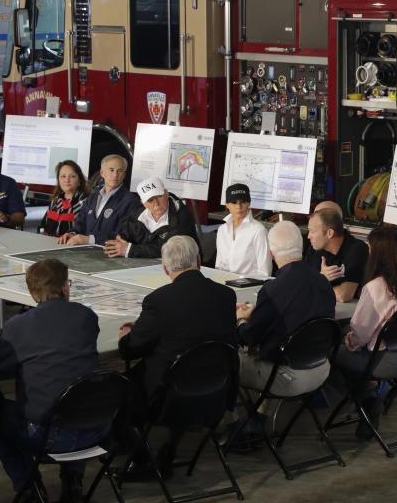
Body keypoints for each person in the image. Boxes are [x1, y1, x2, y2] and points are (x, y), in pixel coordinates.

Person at [0, 259, 101, 503]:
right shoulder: (87, 317)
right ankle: (73, 481)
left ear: (32, 293)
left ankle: (28, 486)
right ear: (65, 287)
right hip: (96, 428)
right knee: (74, 393)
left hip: (47, 436)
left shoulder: (18, 327)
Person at [118, 236, 236, 476]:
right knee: (188, 369)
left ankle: (141, 460)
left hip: (169, 399)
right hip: (217, 392)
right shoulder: (227, 296)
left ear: (165, 268)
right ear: (199, 261)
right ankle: (169, 447)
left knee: (118, 389)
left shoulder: (159, 301)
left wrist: (129, 333)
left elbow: (130, 349)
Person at [333, 227, 397, 440]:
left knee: (330, 353)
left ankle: (366, 401)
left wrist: (348, 341)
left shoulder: (375, 287)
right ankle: (367, 401)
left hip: (382, 361)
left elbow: (360, 336)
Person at [236, 220, 334, 397]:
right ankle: (260, 417)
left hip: (287, 377)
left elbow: (248, 338)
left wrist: (241, 320)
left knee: (226, 360)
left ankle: (235, 423)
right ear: (302, 246)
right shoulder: (323, 282)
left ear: (272, 254)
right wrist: (257, 313)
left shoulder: (273, 290)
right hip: (322, 368)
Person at [105, 177, 199, 259]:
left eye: (159, 197)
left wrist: (129, 249)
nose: (156, 204)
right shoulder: (137, 214)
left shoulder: (182, 214)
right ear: (143, 203)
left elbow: (169, 249)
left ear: (166, 194)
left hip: (183, 266)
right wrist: (121, 240)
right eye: (150, 200)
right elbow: (126, 235)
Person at [59, 154, 137, 247]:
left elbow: (123, 235)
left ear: (124, 175)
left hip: (109, 255)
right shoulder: (93, 197)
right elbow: (80, 224)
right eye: (111, 170)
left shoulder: (130, 201)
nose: (115, 175)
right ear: (102, 172)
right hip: (84, 251)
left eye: (120, 171)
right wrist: (72, 233)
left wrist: (90, 240)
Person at [306, 207, 369, 303]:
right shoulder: (315, 249)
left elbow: (343, 295)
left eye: (312, 231)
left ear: (330, 233)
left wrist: (319, 282)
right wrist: (320, 280)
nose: (308, 236)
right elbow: (301, 285)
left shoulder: (357, 250)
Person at [215, 183, 271, 277]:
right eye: (234, 202)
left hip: (249, 288)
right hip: (223, 285)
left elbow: (265, 272)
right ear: (227, 205)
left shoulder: (258, 231)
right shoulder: (222, 230)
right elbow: (218, 266)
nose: (239, 207)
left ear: (249, 203)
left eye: (243, 202)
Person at [40, 160, 89, 237]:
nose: (67, 180)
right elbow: (43, 226)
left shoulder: (87, 203)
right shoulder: (55, 201)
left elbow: (86, 231)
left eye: (72, 176)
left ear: (80, 181)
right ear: (58, 180)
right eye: (63, 176)